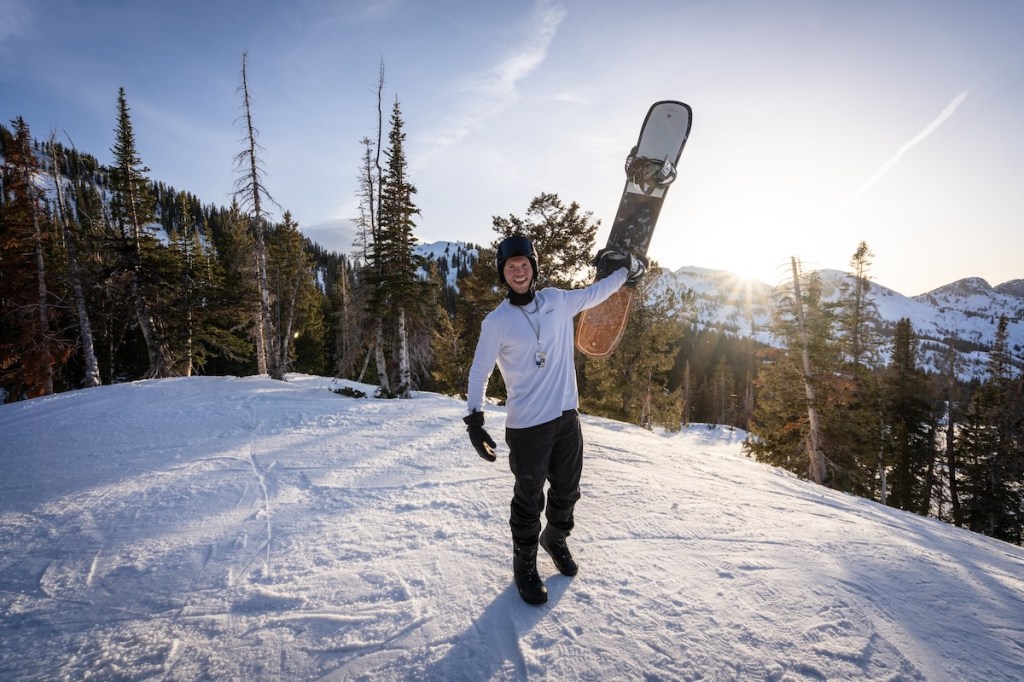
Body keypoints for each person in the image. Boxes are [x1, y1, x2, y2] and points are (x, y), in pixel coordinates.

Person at [463, 234, 645, 605]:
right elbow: (479, 372)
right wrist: (474, 419)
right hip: (528, 426)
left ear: (533, 268)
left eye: (524, 265)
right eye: (511, 267)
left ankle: (555, 538)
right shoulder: (497, 322)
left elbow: (598, 292)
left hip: (567, 417)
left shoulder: (557, 301)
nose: (518, 272)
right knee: (529, 500)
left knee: (567, 490)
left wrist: (625, 272)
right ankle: (525, 566)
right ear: (504, 273)